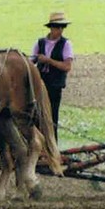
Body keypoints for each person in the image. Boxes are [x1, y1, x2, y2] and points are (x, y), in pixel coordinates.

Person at [31, 12, 74, 140]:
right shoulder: (40, 43)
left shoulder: (66, 44)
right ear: (51, 27)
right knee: (36, 116)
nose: (60, 30)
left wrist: (48, 61)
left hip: (55, 86)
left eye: (62, 27)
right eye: (57, 27)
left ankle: (52, 146)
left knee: (52, 118)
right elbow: (31, 61)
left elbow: (67, 66)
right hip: (40, 84)